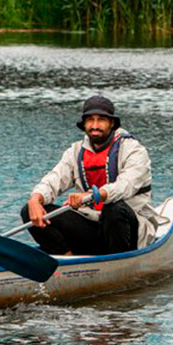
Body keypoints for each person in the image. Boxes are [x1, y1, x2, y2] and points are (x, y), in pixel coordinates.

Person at [21, 95, 156, 255]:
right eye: (90, 120)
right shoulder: (76, 151)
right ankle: (67, 259)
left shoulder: (134, 150)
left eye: (101, 120)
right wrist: (36, 199)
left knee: (113, 209)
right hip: (92, 224)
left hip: (129, 228)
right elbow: (54, 179)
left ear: (112, 123)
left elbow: (125, 185)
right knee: (29, 210)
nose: (95, 125)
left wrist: (93, 196)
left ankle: (118, 263)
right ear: (84, 124)